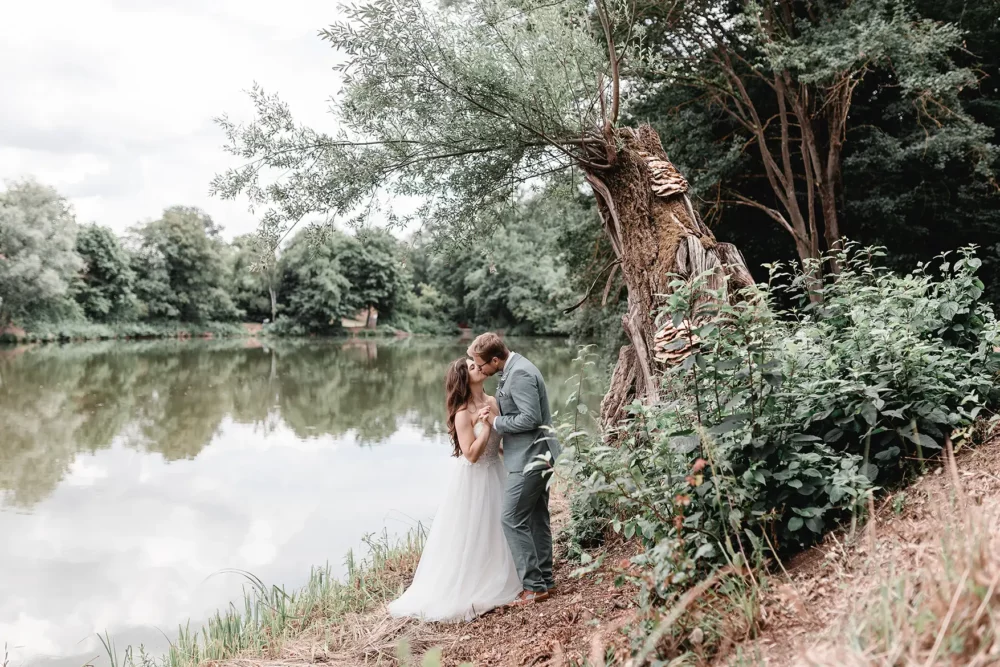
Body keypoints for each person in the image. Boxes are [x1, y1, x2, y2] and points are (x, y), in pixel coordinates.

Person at [387, 358, 522, 621]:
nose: (479, 368)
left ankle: (501, 574)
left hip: (496, 470)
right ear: (464, 379)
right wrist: (484, 427)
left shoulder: (494, 401)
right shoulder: (463, 413)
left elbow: (501, 441)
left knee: (498, 526)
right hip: (474, 478)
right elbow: (471, 454)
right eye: (473, 367)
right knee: (472, 530)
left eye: (478, 364)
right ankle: (469, 583)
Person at [468, 332, 561, 606]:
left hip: (530, 458)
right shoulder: (515, 367)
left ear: (495, 359)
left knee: (511, 518)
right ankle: (545, 581)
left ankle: (533, 587)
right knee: (535, 518)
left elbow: (530, 418)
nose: (481, 370)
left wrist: (497, 424)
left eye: (481, 365)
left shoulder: (519, 374)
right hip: (536, 454)